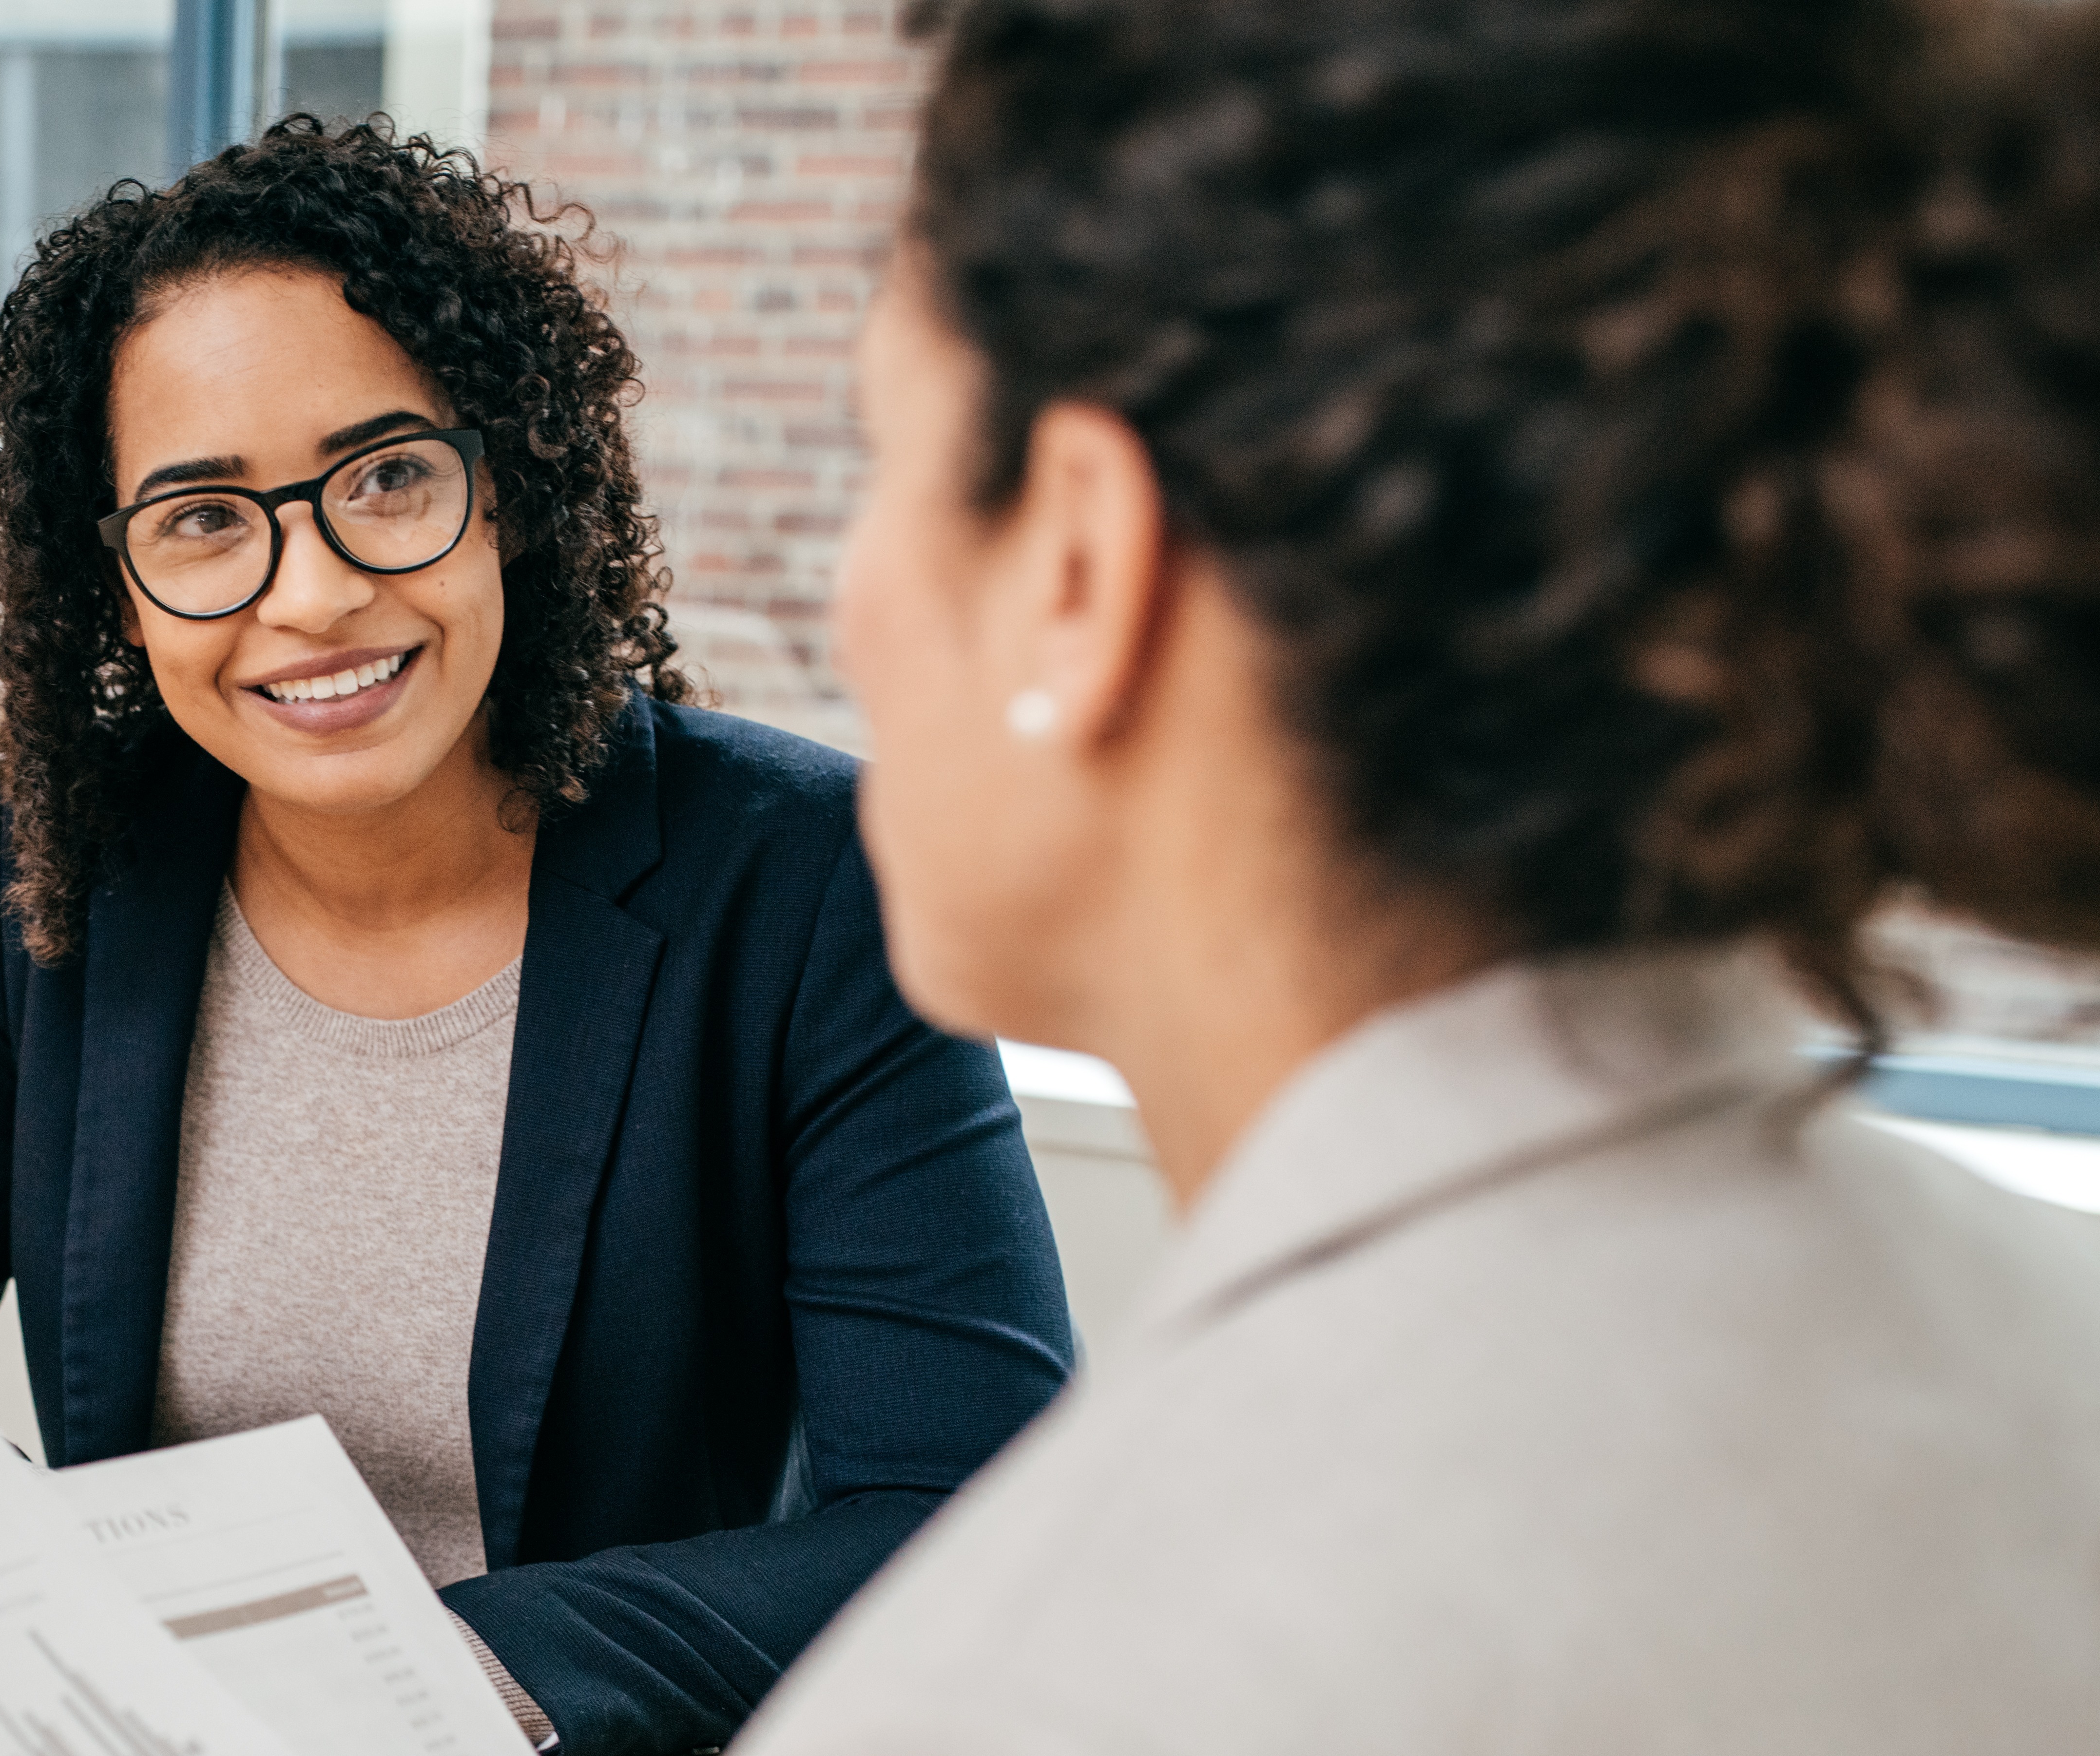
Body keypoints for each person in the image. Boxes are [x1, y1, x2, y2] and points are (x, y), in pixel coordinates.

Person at [728, 0, 2100, 1750]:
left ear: (1079, 560)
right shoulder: (2060, 1359)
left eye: (881, 461)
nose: (850, 598)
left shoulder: (1039, 1682)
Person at [0, 120, 1079, 1754]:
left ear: (512, 489)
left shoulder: (812, 881)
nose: (312, 592)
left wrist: (415, 1678)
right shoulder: (73, 862)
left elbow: (967, 1509)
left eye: (387, 475)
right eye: (203, 516)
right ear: (112, 583)